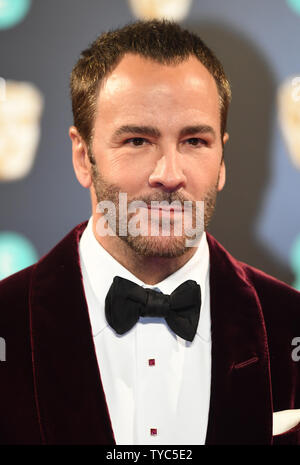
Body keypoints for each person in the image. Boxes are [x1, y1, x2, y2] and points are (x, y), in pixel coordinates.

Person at [0, 20, 299, 446]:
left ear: (222, 160)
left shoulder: (291, 324)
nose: (169, 174)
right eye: (138, 140)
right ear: (83, 157)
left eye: (194, 141)